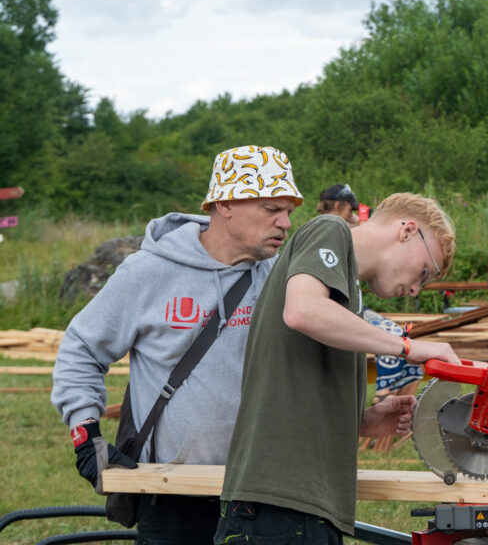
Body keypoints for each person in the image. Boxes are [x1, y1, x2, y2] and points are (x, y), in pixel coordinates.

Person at [52, 145, 303, 543]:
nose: (285, 223)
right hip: (171, 490)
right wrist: (86, 436)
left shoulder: (281, 276)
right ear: (225, 204)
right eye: (272, 209)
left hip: (262, 490)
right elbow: (82, 348)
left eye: (289, 211)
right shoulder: (149, 271)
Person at [216, 193, 461, 544]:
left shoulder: (347, 299)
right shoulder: (331, 230)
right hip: (280, 503)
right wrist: (407, 346)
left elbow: (298, 387)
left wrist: (362, 422)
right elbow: (302, 311)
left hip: (303, 505)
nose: (413, 289)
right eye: (423, 272)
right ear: (407, 231)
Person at [315, 186, 423, 437]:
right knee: (392, 335)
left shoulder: (341, 229)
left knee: (391, 335)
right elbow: (307, 310)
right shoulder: (329, 229)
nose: (352, 214)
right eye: (350, 209)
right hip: (336, 311)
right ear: (340, 206)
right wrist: (405, 348)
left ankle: (379, 401)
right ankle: (383, 393)